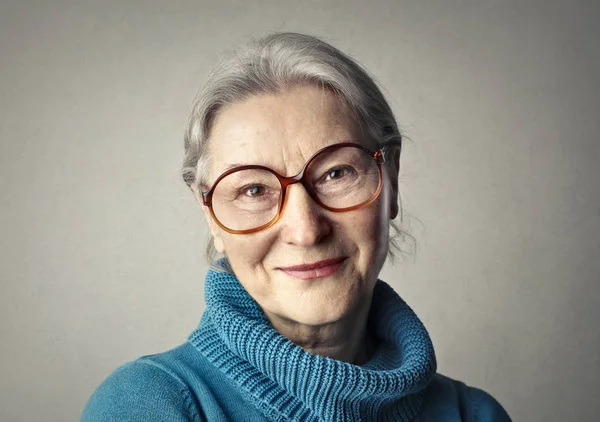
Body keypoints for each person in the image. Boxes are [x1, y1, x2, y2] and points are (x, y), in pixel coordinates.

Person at [82, 32, 512, 421]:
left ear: (391, 178)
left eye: (336, 174)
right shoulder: (148, 406)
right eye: (253, 190)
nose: (305, 230)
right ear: (209, 212)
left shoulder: (473, 415)